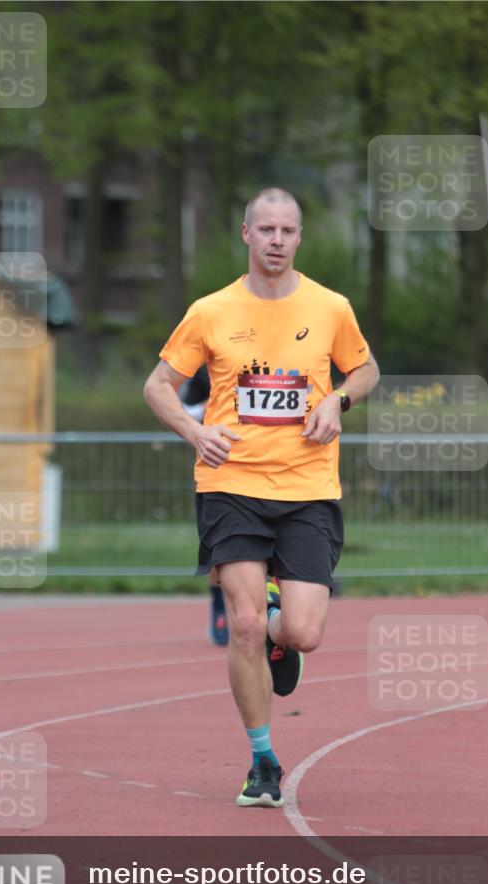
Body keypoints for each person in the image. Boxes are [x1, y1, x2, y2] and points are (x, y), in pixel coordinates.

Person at [144, 187, 379, 807]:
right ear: (246, 234)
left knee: (303, 632)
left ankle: (281, 629)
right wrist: (194, 431)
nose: (277, 240)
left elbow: (366, 370)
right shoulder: (210, 311)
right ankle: (263, 760)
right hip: (231, 485)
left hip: (308, 489)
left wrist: (338, 400)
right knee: (242, 625)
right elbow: (158, 385)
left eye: (287, 230)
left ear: (299, 238)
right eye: (266, 229)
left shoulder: (330, 307)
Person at [179, 365, 229, 646]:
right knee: (222, 549)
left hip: (274, 469)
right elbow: (183, 413)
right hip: (221, 470)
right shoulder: (203, 369)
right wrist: (210, 405)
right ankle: (220, 608)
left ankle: (273, 607)